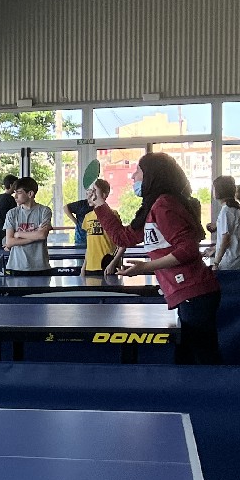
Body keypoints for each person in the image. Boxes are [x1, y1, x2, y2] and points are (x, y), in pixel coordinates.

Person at [88, 153, 221, 364]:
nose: (133, 176)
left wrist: (145, 267)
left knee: (203, 360)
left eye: (138, 171)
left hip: (195, 292)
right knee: (189, 359)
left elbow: (187, 250)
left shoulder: (165, 205)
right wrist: (100, 204)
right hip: (185, 294)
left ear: (152, 175)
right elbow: (123, 237)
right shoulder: (154, 207)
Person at [2, 175, 53, 272]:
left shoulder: (44, 211)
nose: (15, 196)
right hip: (16, 266)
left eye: (19, 193)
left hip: (40, 267)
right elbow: (9, 242)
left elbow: (42, 235)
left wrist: (18, 234)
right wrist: (35, 236)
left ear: (30, 194)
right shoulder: (12, 213)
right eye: (15, 193)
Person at [210, 175, 240, 270]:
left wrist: (216, 263)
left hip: (227, 261)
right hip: (236, 259)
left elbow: (226, 239)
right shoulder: (234, 209)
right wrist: (214, 249)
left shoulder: (226, 211)